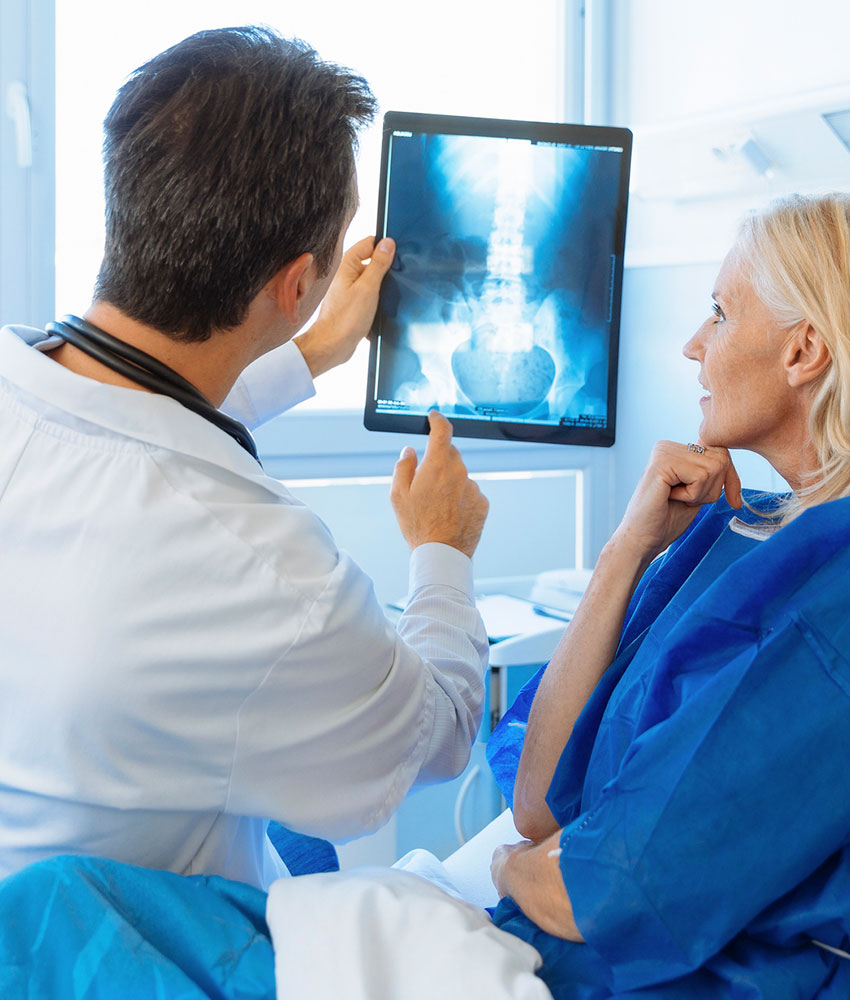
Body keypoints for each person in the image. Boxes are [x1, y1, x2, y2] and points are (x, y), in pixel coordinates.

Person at [0, 26, 489, 891]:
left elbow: (131, 425)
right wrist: (441, 553)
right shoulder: (263, 566)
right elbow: (436, 737)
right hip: (115, 952)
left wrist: (310, 355)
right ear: (298, 282)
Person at [485, 192, 850, 998]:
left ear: (805, 351)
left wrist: (507, 873)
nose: (693, 346)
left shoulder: (834, 596)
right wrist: (626, 551)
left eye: (719, 314)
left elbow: (604, 888)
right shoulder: (736, 530)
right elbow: (541, 803)